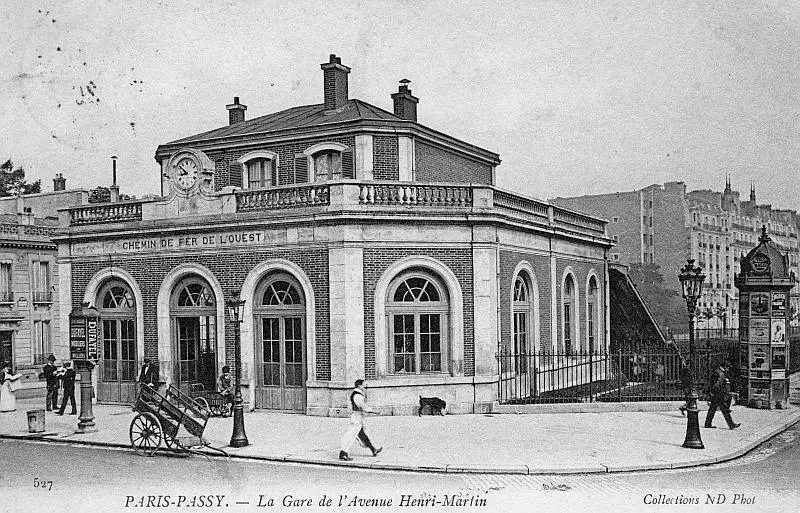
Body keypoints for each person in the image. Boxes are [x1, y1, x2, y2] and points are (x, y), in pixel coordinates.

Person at [339, 379, 382, 461]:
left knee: (364, 434)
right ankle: (343, 452)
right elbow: (362, 406)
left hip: (359, 417)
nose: (364, 387)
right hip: (356, 417)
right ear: (359, 386)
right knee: (351, 435)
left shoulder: (358, 394)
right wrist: (373, 411)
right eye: (363, 385)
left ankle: (373, 449)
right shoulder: (357, 395)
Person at [704, 361, 740, 430]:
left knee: (713, 409)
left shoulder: (719, 372)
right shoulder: (720, 373)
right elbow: (717, 384)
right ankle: (731, 424)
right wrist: (717, 393)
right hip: (718, 395)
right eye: (727, 368)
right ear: (725, 367)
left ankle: (708, 423)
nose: (728, 369)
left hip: (717, 394)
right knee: (723, 410)